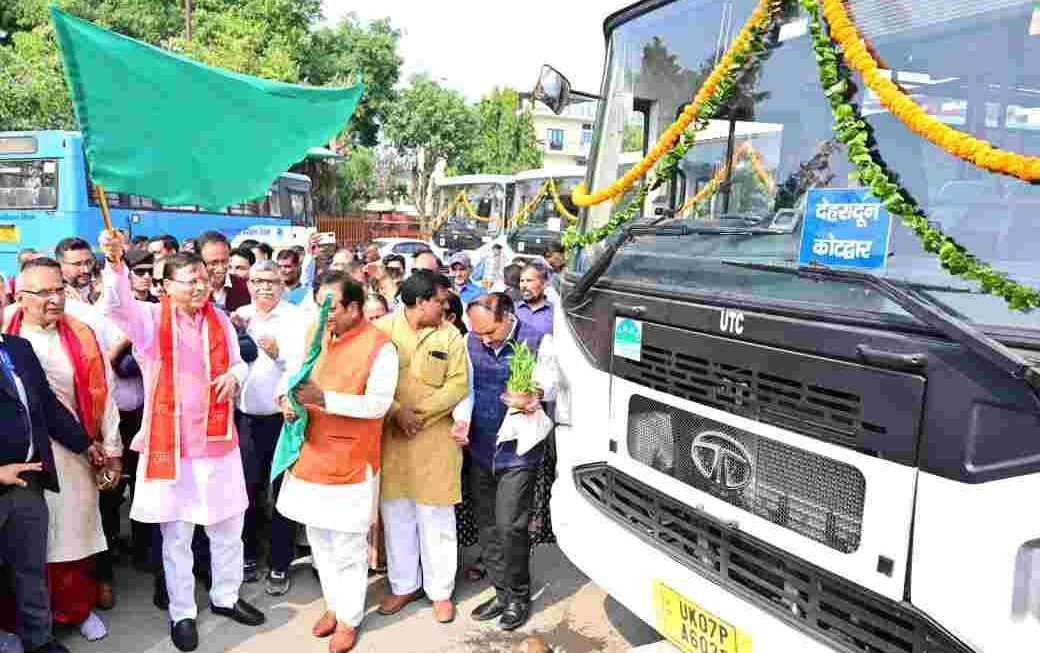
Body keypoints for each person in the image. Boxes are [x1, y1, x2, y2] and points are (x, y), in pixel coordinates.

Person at [97, 234, 265, 652]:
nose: (199, 287)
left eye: (203, 279)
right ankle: (182, 612)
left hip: (218, 442)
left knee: (228, 527)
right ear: (165, 286)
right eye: (189, 280)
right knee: (177, 538)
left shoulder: (219, 320)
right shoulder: (151, 321)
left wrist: (235, 377)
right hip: (171, 447)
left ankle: (226, 597)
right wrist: (115, 261)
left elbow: (240, 362)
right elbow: (117, 305)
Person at [276, 270, 398, 653]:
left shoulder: (381, 347)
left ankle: (349, 618)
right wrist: (286, 400)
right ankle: (333, 604)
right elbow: (293, 375)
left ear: (355, 308)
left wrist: (323, 399)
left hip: (350, 459)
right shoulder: (316, 332)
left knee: (347, 545)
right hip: (310, 453)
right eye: (321, 305)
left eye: (332, 306)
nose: (325, 313)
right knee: (318, 539)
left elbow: (378, 404)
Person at [4, 258, 122, 642]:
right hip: (24, 458)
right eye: (44, 293)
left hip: (72, 449)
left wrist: (105, 446)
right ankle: (31, 622)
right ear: (21, 298)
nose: (54, 300)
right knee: (31, 547)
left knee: (74, 535)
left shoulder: (81, 333)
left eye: (60, 290)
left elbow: (103, 395)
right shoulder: (10, 329)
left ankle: (76, 610)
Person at [373, 272, 468, 624]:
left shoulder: (451, 335)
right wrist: (398, 413)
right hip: (393, 437)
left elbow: (458, 384)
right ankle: (403, 585)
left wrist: (420, 415)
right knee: (397, 515)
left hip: (434, 440)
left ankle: (440, 592)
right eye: (439, 300)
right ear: (419, 301)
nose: (445, 306)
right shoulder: (381, 329)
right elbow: (370, 380)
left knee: (436, 518)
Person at [465, 293, 558, 631]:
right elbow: (465, 389)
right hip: (479, 447)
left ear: (507, 316)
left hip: (519, 450)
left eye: (489, 332)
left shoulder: (536, 339)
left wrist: (537, 396)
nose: (485, 340)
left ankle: (519, 595)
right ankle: (501, 592)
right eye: (479, 334)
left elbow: (555, 384)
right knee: (488, 525)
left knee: (511, 525)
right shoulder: (469, 342)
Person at [0, 325, 91, 653]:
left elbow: (47, 407)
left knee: (30, 568)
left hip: (28, 480)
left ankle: (39, 640)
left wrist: (85, 445)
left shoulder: (18, 348)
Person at [231, 261, 305, 594]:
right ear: (248, 284)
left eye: (272, 282)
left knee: (283, 495)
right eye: (258, 281)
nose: (264, 287)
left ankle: (279, 563)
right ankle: (248, 555)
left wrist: (276, 355)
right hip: (245, 419)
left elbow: (302, 368)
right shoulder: (239, 316)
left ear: (283, 284)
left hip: (283, 419)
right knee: (247, 491)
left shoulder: (296, 318)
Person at [197, 232, 250, 313]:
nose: (220, 268)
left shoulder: (245, 287)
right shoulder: (190, 289)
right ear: (199, 261)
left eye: (224, 261)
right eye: (213, 263)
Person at [55, 238, 97, 304]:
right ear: (60, 266)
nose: (86, 270)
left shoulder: (102, 289)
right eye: (77, 264)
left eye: (88, 262)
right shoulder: (55, 298)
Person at [516, 264, 554, 338]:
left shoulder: (555, 313)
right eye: (522, 281)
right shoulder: (512, 310)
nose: (524, 285)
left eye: (529, 280)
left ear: (544, 284)